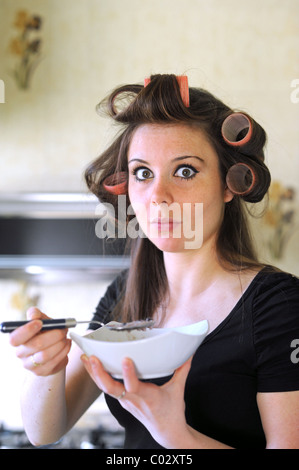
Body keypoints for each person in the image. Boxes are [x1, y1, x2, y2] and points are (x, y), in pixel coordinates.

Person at [9, 74, 299, 449]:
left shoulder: (280, 305)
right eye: (142, 173)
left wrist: (175, 435)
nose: (158, 196)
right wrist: (44, 368)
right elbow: (44, 431)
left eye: (185, 171)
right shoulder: (124, 294)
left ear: (229, 185)